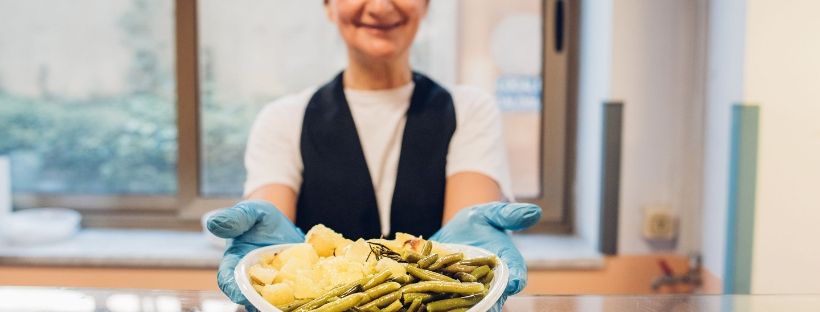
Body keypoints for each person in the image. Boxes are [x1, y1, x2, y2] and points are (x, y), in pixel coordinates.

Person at [206, 0, 542, 310]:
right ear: (328, 4)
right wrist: (265, 259)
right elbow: (272, 243)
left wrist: (467, 267)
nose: (380, 7)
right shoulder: (283, 119)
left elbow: (467, 236)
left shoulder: (470, 110)